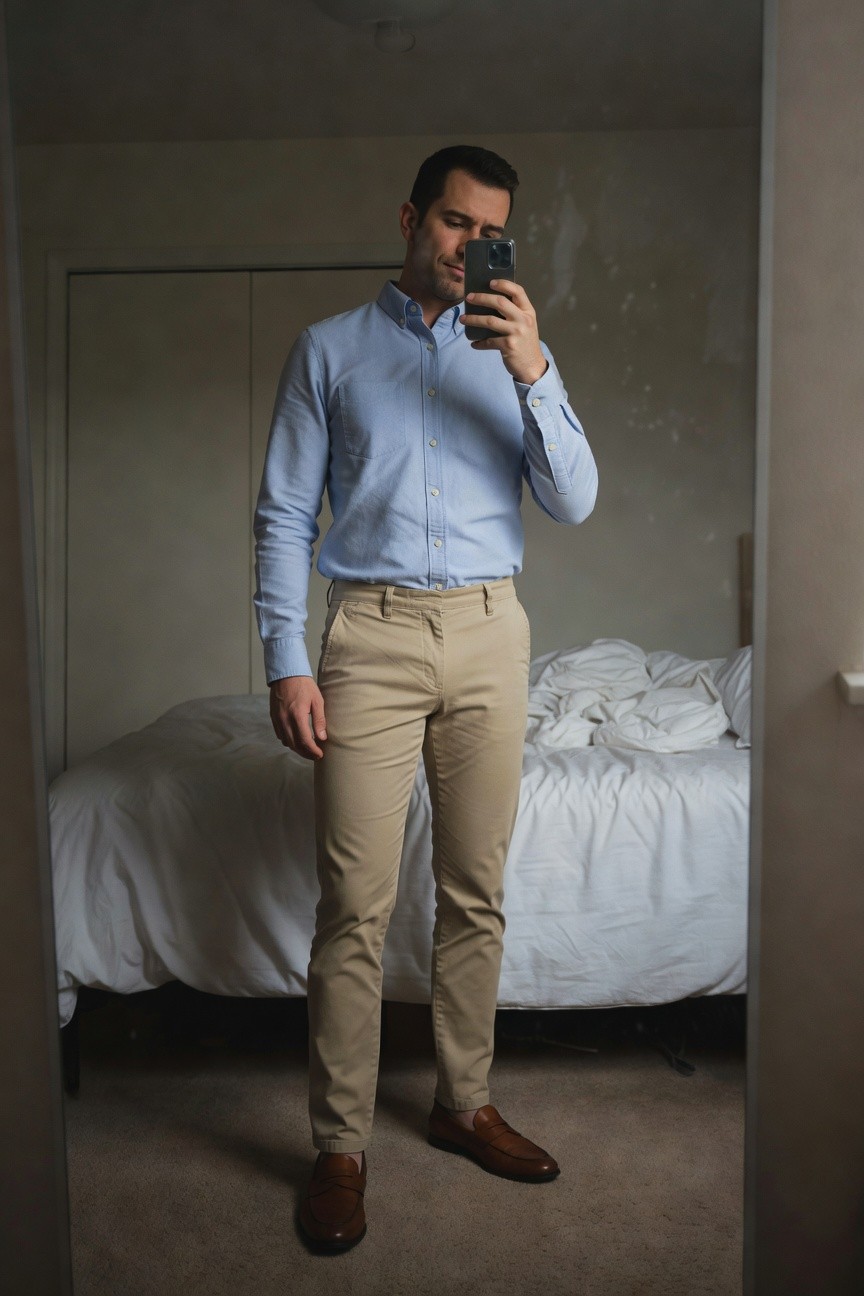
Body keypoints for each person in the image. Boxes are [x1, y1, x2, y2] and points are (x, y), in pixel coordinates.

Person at [253, 145, 598, 1253]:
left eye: (490, 232)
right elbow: (281, 515)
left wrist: (534, 367)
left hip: (494, 631)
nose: (469, 247)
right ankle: (340, 1145)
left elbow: (576, 502)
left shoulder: (517, 351)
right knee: (352, 903)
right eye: (454, 223)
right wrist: (285, 658)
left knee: (475, 889)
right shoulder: (330, 351)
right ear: (411, 218)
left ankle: (463, 1104)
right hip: (374, 633)